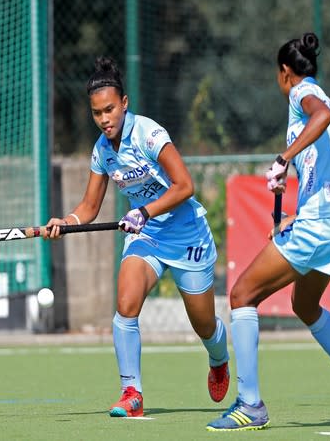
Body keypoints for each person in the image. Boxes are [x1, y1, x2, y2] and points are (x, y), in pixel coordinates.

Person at [206, 33, 330, 432]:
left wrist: (282, 158)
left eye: (279, 74)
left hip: (321, 222)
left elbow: (317, 116)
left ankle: (250, 404)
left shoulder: (302, 93)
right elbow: (322, 156)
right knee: (305, 305)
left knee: (241, 294)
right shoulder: (326, 101)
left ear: (285, 72)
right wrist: (294, 205)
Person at [44, 56, 230, 417]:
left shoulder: (149, 135)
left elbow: (185, 186)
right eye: (97, 113)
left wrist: (144, 211)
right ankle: (132, 393)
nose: (104, 119)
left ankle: (219, 358)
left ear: (124, 103)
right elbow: (89, 206)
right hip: (146, 237)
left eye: (110, 109)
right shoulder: (101, 150)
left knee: (204, 324)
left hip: (187, 234)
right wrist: (66, 222)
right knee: (126, 304)